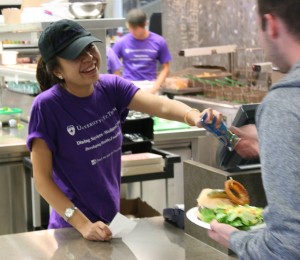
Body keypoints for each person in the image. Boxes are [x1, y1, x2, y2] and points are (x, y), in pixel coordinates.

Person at [27, 19, 221, 242]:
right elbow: (42, 179)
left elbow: (162, 105)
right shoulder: (47, 107)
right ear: (57, 70)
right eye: (75, 54)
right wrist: (83, 224)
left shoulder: (111, 87)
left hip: (112, 221)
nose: (89, 58)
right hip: (72, 228)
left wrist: (194, 116)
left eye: (89, 47)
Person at [208, 1, 300, 259]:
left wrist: (236, 239)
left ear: (271, 25)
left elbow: (287, 247)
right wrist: (271, 142)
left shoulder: (284, 104)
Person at [112, 9, 172, 94]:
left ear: (145, 24)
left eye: (135, 29)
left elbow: (166, 68)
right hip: (129, 86)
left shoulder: (159, 41)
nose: (132, 31)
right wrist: (120, 84)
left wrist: (155, 87)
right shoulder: (121, 42)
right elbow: (112, 64)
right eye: (130, 28)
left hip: (150, 85)